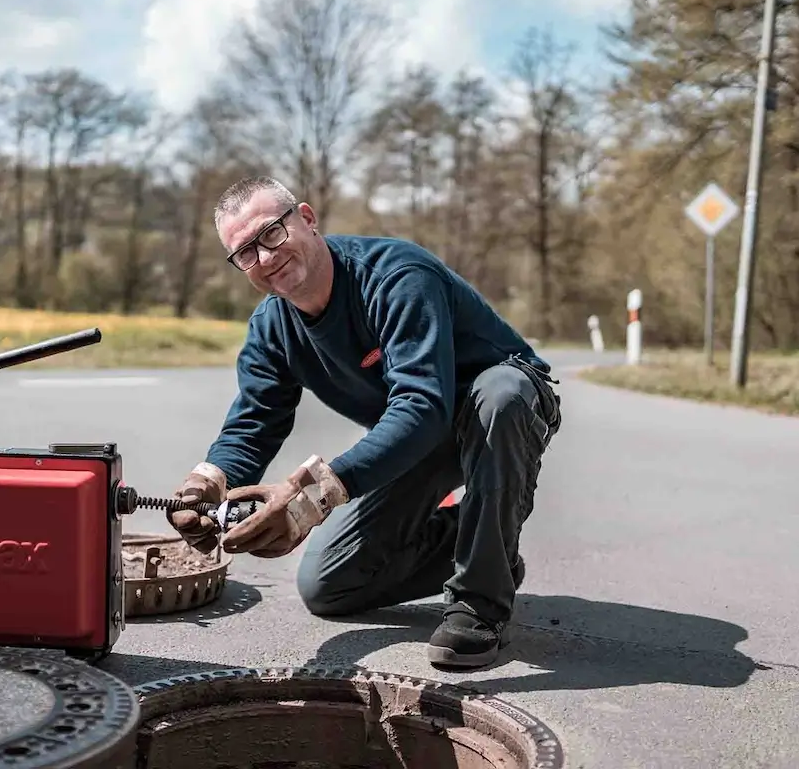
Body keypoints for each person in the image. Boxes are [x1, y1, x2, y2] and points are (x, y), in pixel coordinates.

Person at [165, 175, 562, 669]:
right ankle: (483, 540)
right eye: (245, 252)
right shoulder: (272, 326)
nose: (265, 258)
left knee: (500, 393)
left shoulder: (395, 276)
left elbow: (423, 402)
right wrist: (208, 483)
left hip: (499, 410)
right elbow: (255, 419)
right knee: (328, 584)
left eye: (271, 234)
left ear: (306, 219)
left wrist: (313, 496)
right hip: (421, 435)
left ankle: (480, 603)